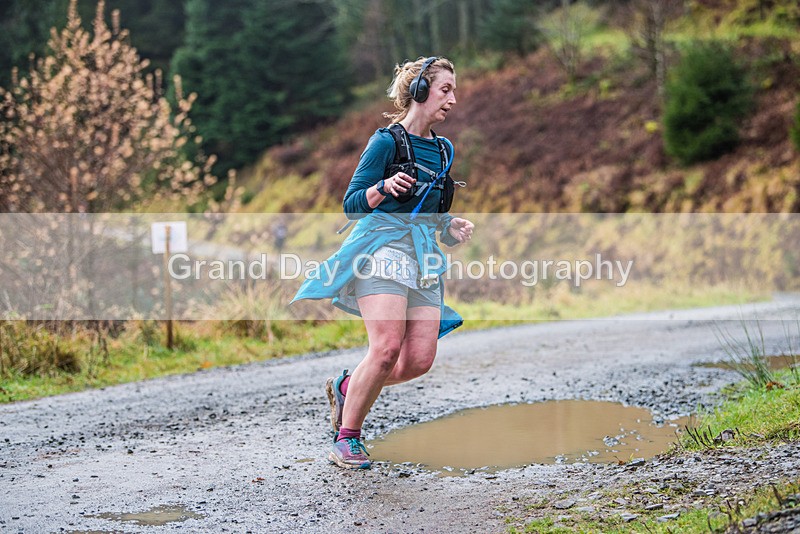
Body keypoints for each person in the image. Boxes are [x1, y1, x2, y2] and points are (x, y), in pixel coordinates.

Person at [292, 56, 474, 469]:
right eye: (446, 89)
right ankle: (347, 437)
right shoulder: (385, 142)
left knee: (418, 360)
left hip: (423, 256)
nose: (453, 99)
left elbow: (429, 213)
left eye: (454, 91)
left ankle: (346, 385)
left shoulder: (444, 149)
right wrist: (383, 186)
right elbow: (353, 205)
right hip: (381, 252)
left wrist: (449, 227)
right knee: (387, 348)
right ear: (421, 91)